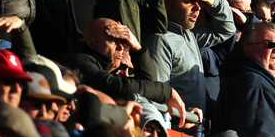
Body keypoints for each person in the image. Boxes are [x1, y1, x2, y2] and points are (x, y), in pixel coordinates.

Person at [144, 0, 235, 119]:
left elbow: (226, 29)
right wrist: (180, 116)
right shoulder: (160, 40)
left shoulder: (189, 35)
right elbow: (156, 95)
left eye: (199, 1)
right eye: (189, 1)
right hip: (174, 132)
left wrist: (213, 1)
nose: (198, 7)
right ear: (167, 4)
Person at [58, 18, 186, 119]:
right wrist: (166, 91)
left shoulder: (106, 70)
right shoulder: (77, 61)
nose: (121, 48)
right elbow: (117, 87)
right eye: (113, 41)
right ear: (91, 43)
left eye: (123, 42)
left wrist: (137, 48)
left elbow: (149, 85)